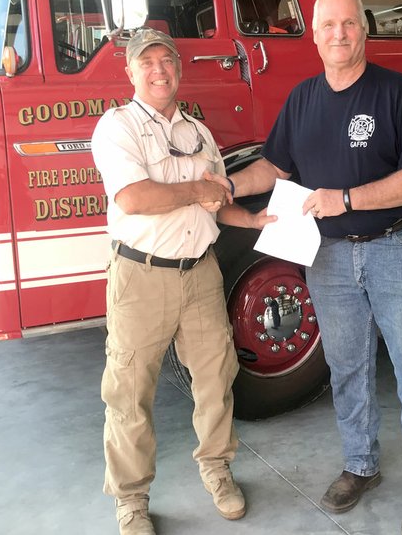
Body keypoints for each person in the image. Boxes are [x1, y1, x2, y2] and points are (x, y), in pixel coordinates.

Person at [216, 0, 402, 535]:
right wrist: (227, 184)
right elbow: (272, 168)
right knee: (347, 369)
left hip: (396, 248)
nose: (339, 34)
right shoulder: (302, 100)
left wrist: (346, 199)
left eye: (349, 24)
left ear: (363, 30)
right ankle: (360, 465)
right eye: (328, 26)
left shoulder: (397, 93)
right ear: (314, 35)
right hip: (329, 260)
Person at [91, 28, 274, 535]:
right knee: (129, 393)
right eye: (146, 62)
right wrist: (198, 188)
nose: (158, 69)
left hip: (200, 273)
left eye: (166, 60)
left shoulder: (198, 132)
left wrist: (252, 221)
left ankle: (217, 470)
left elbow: (214, 202)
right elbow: (134, 197)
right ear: (130, 72)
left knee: (216, 380)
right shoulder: (117, 127)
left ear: (178, 68)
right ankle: (131, 500)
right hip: (141, 276)